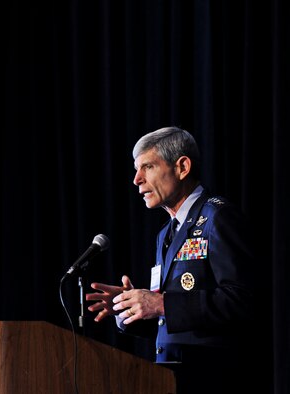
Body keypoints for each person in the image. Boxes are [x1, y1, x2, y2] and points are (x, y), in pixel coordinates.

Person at [85, 126, 267, 394]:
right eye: (136, 169)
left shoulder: (218, 218)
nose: (136, 179)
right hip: (170, 376)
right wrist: (132, 307)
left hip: (212, 377)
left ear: (182, 167)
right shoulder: (165, 233)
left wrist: (160, 304)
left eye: (147, 167)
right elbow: (176, 320)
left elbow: (243, 301)